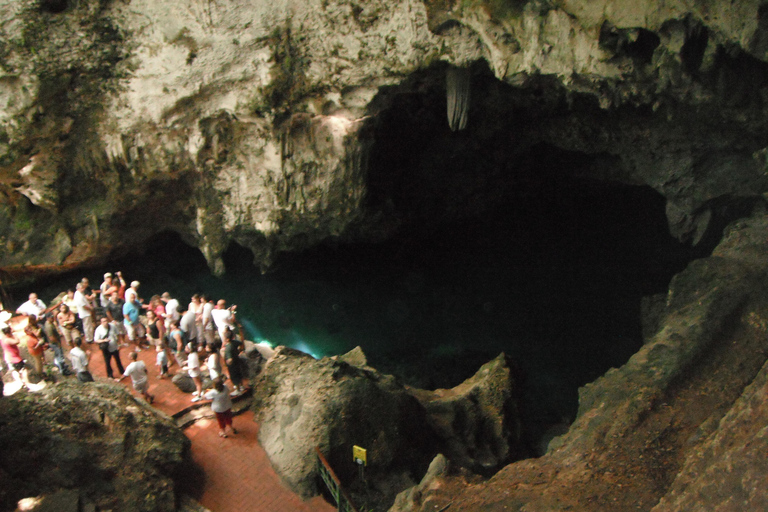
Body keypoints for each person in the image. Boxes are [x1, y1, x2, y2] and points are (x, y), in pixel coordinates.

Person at [222, 328, 245, 396]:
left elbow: (229, 359)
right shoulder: (234, 342)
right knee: (239, 374)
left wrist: (228, 363)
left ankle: (238, 390)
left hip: (232, 366)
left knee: (234, 377)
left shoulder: (228, 348)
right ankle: (241, 386)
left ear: (227, 339)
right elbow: (241, 343)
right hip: (237, 361)